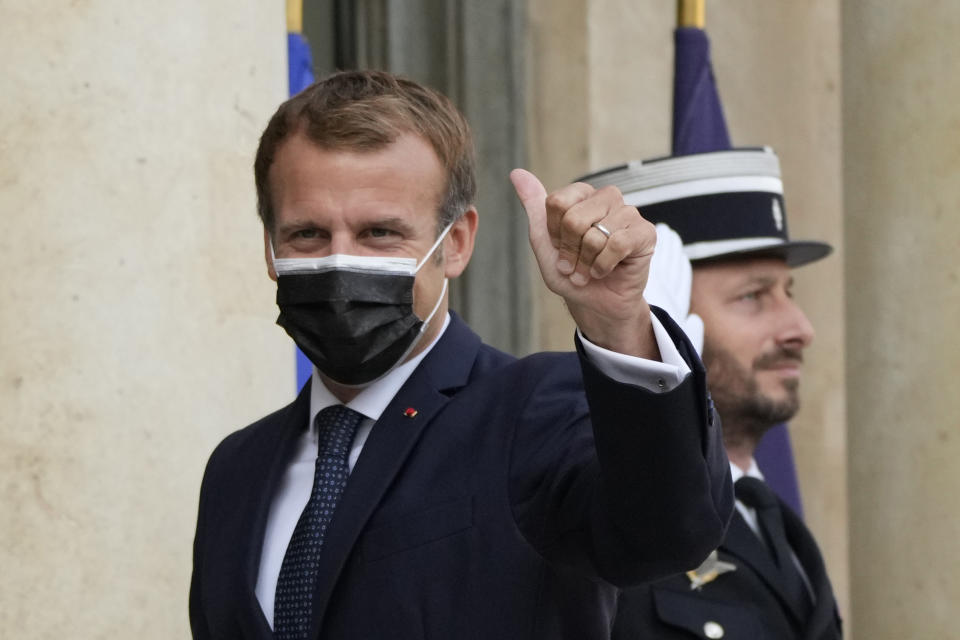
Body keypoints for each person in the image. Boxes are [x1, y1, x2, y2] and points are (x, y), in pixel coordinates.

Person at [188, 70, 732, 640]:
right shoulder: (236, 469)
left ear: (456, 242)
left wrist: (617, 322)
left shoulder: (535, 412)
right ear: (270, 250)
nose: (340, 262)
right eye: (307, 235)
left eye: (379, 233)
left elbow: (666, 532)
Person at [579, 147, 843, 639]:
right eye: (752, 297)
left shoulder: (777, 524)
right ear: (661, 312)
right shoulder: (594, 516)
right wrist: (644, 354)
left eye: (790, 293)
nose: (800, 329)